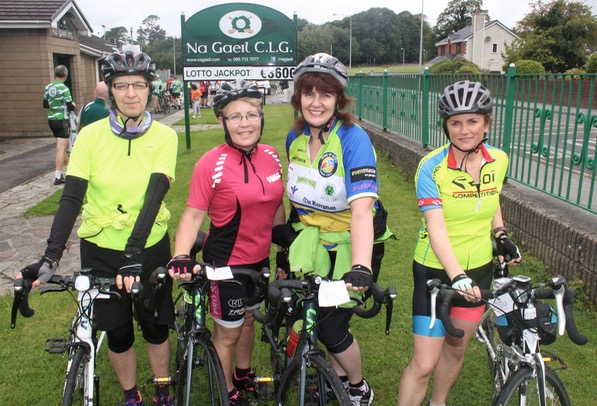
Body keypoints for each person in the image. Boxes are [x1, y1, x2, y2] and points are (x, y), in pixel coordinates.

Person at [18, 51, 178, 406]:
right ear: (110, 91)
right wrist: (51, 255)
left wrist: (134, 254)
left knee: (154, 326)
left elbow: (154, 197)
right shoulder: (90, 135)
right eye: (122, 85)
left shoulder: (165, 136)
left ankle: (162, 390)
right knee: (118, 330)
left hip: (149, 245)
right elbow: (71, 199)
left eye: (139, 85)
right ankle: (130, 394)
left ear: (150, 90)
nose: (131, 93)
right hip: (101, 248)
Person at [397, 80, 522, 406]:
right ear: (446, 126)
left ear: (487, 123)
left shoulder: (499, 159)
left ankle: (438, 403)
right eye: (455, 123)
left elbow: (491, 196)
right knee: (424, 363)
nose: (464, 130)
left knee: (457, 347)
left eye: (472, 121)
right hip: (436, 271)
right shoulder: (432, 168)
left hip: (480, 268)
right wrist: (457, 275)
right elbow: (435, 226)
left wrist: (500, 234)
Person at [280, 52, 393, 406]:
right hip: (312, 241)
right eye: (308, 94)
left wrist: (360, 266)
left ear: (338, 100)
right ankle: (336, 380)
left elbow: (362, 210)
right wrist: (285, 248)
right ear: (298, 97)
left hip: (353, 242)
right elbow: (300, 197)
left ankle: (358, 388)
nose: (316, 102)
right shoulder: (294, 139)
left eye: (325, 94)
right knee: (309, 317)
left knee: (332, 327)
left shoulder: (352, 139)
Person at [168, 81, 285, 405]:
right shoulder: (211, 163)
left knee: (249, 319)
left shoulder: (272, 157)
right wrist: (180, 254)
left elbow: (275, 203)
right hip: (225, 264)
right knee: (228, 332)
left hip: (260, 260)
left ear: (261, 118)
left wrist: (283, 239)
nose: (244, 123)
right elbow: (192, 216)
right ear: (222, 121)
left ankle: (242, 373)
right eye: (235, 116)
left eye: (251, 115)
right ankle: (227, 390)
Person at [43, 64, 76, 185]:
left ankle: (70, 169)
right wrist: (73, 104)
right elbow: (69, 106)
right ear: (65, 75)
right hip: (62, 119)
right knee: (61, 148)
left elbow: (45, 104)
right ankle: (58, 175)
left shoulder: (48, 87)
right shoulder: (64, 88)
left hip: (51, 119)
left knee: (61, 146)